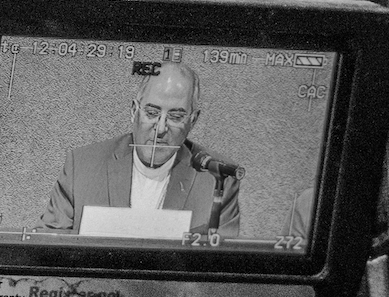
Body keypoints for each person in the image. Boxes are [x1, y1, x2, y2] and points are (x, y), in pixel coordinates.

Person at [40, 63, 241, 237]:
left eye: (175, 117)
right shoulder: (82, 166)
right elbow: (46, 248)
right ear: (134, 111)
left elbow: (224, 261)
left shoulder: (218, 177)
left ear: (193, 120)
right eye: (152, 113)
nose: (160, 129)